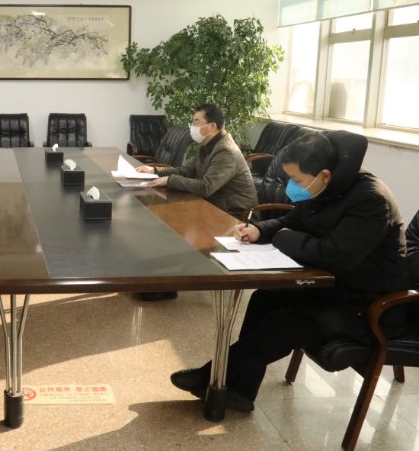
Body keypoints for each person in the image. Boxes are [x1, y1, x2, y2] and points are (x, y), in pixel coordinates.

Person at [170, 131, 409, 412]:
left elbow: (336, 255)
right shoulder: (327, 188)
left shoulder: (371, 200)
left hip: (368, 307)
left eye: (297, 180)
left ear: (324, 175)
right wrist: (259, 230)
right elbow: (294, 220)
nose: (291, 187)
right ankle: (241, 389)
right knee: (264, 298)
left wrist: (283, 238)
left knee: (282, 324)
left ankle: (211, 376)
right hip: (335, 289)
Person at [136, 104, 257, 301]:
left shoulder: (225, 151)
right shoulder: (207, 146)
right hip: (213, 204)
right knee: (168, 217)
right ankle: (160, 276)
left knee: (177, 221)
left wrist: (170, 180)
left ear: (212, 126)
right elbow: (186, 170)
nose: (192, 127)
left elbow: (206, 187)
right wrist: (155, 171)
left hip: (234, 214)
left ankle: (168, 282)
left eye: (196, 122)